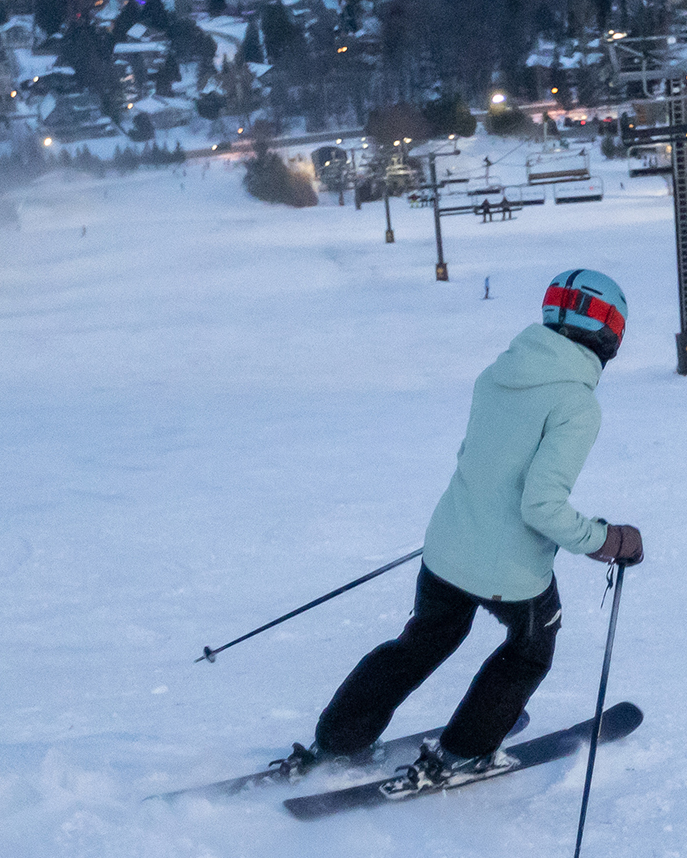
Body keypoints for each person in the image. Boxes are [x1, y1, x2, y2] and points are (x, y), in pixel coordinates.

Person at [270, 268, 646, 788]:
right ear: (609, 332)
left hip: (445, 547)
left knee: (424, 640)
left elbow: (481, 461)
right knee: (531, 648)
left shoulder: (499, 372)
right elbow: (541, 507)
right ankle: (465, 751)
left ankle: (341, 738)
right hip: (510, 568)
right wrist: (610, 540)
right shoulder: (577, 404)